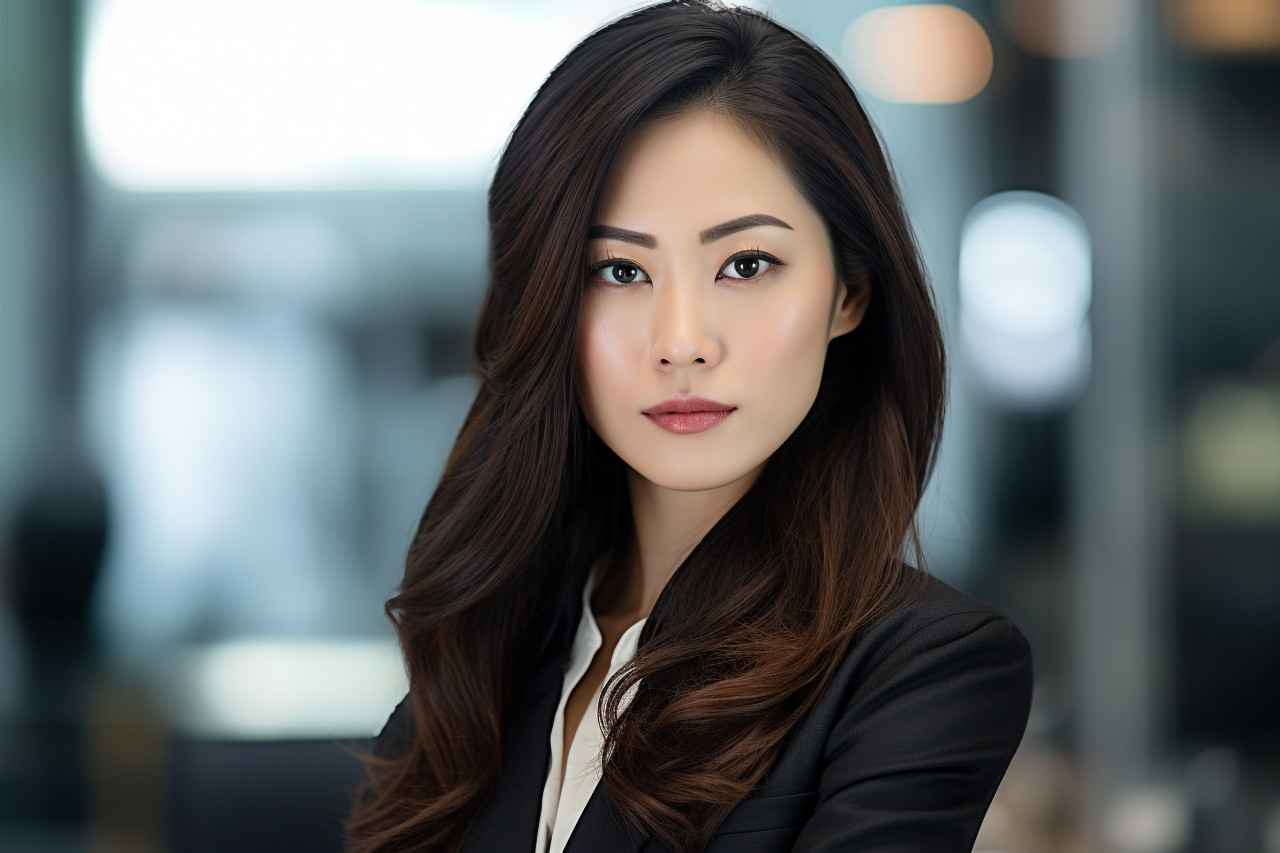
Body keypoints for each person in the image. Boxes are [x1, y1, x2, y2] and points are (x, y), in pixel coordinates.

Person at [344, 2, 1033, 851]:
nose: (681, 342)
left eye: (747, 265)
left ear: (849, 292)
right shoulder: (491, 650)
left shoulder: (922, 668)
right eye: (619, 270)